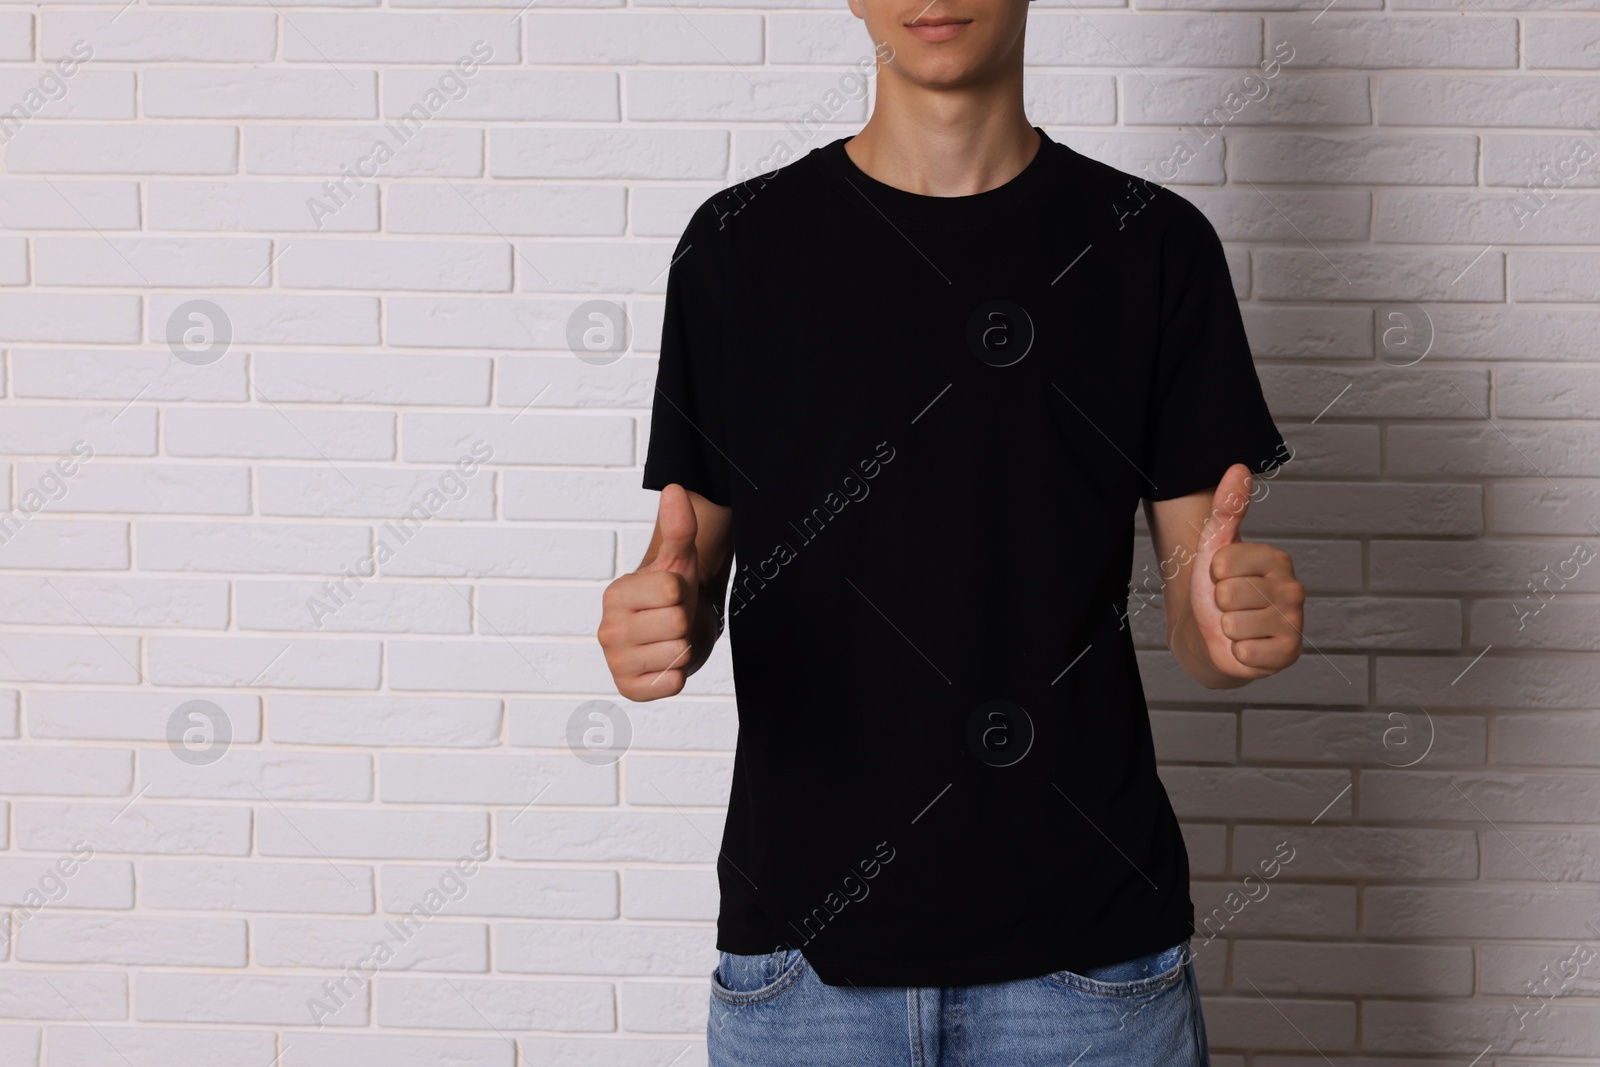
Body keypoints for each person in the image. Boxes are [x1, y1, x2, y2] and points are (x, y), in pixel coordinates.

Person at [597, 0, 1306, 1058]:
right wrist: (657, 626)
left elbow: (1201, 614)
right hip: (803, 974)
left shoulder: (1152, 248)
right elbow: (685, 572)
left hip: (1090, 975)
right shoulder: (735, 249)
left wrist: (1232, 625)